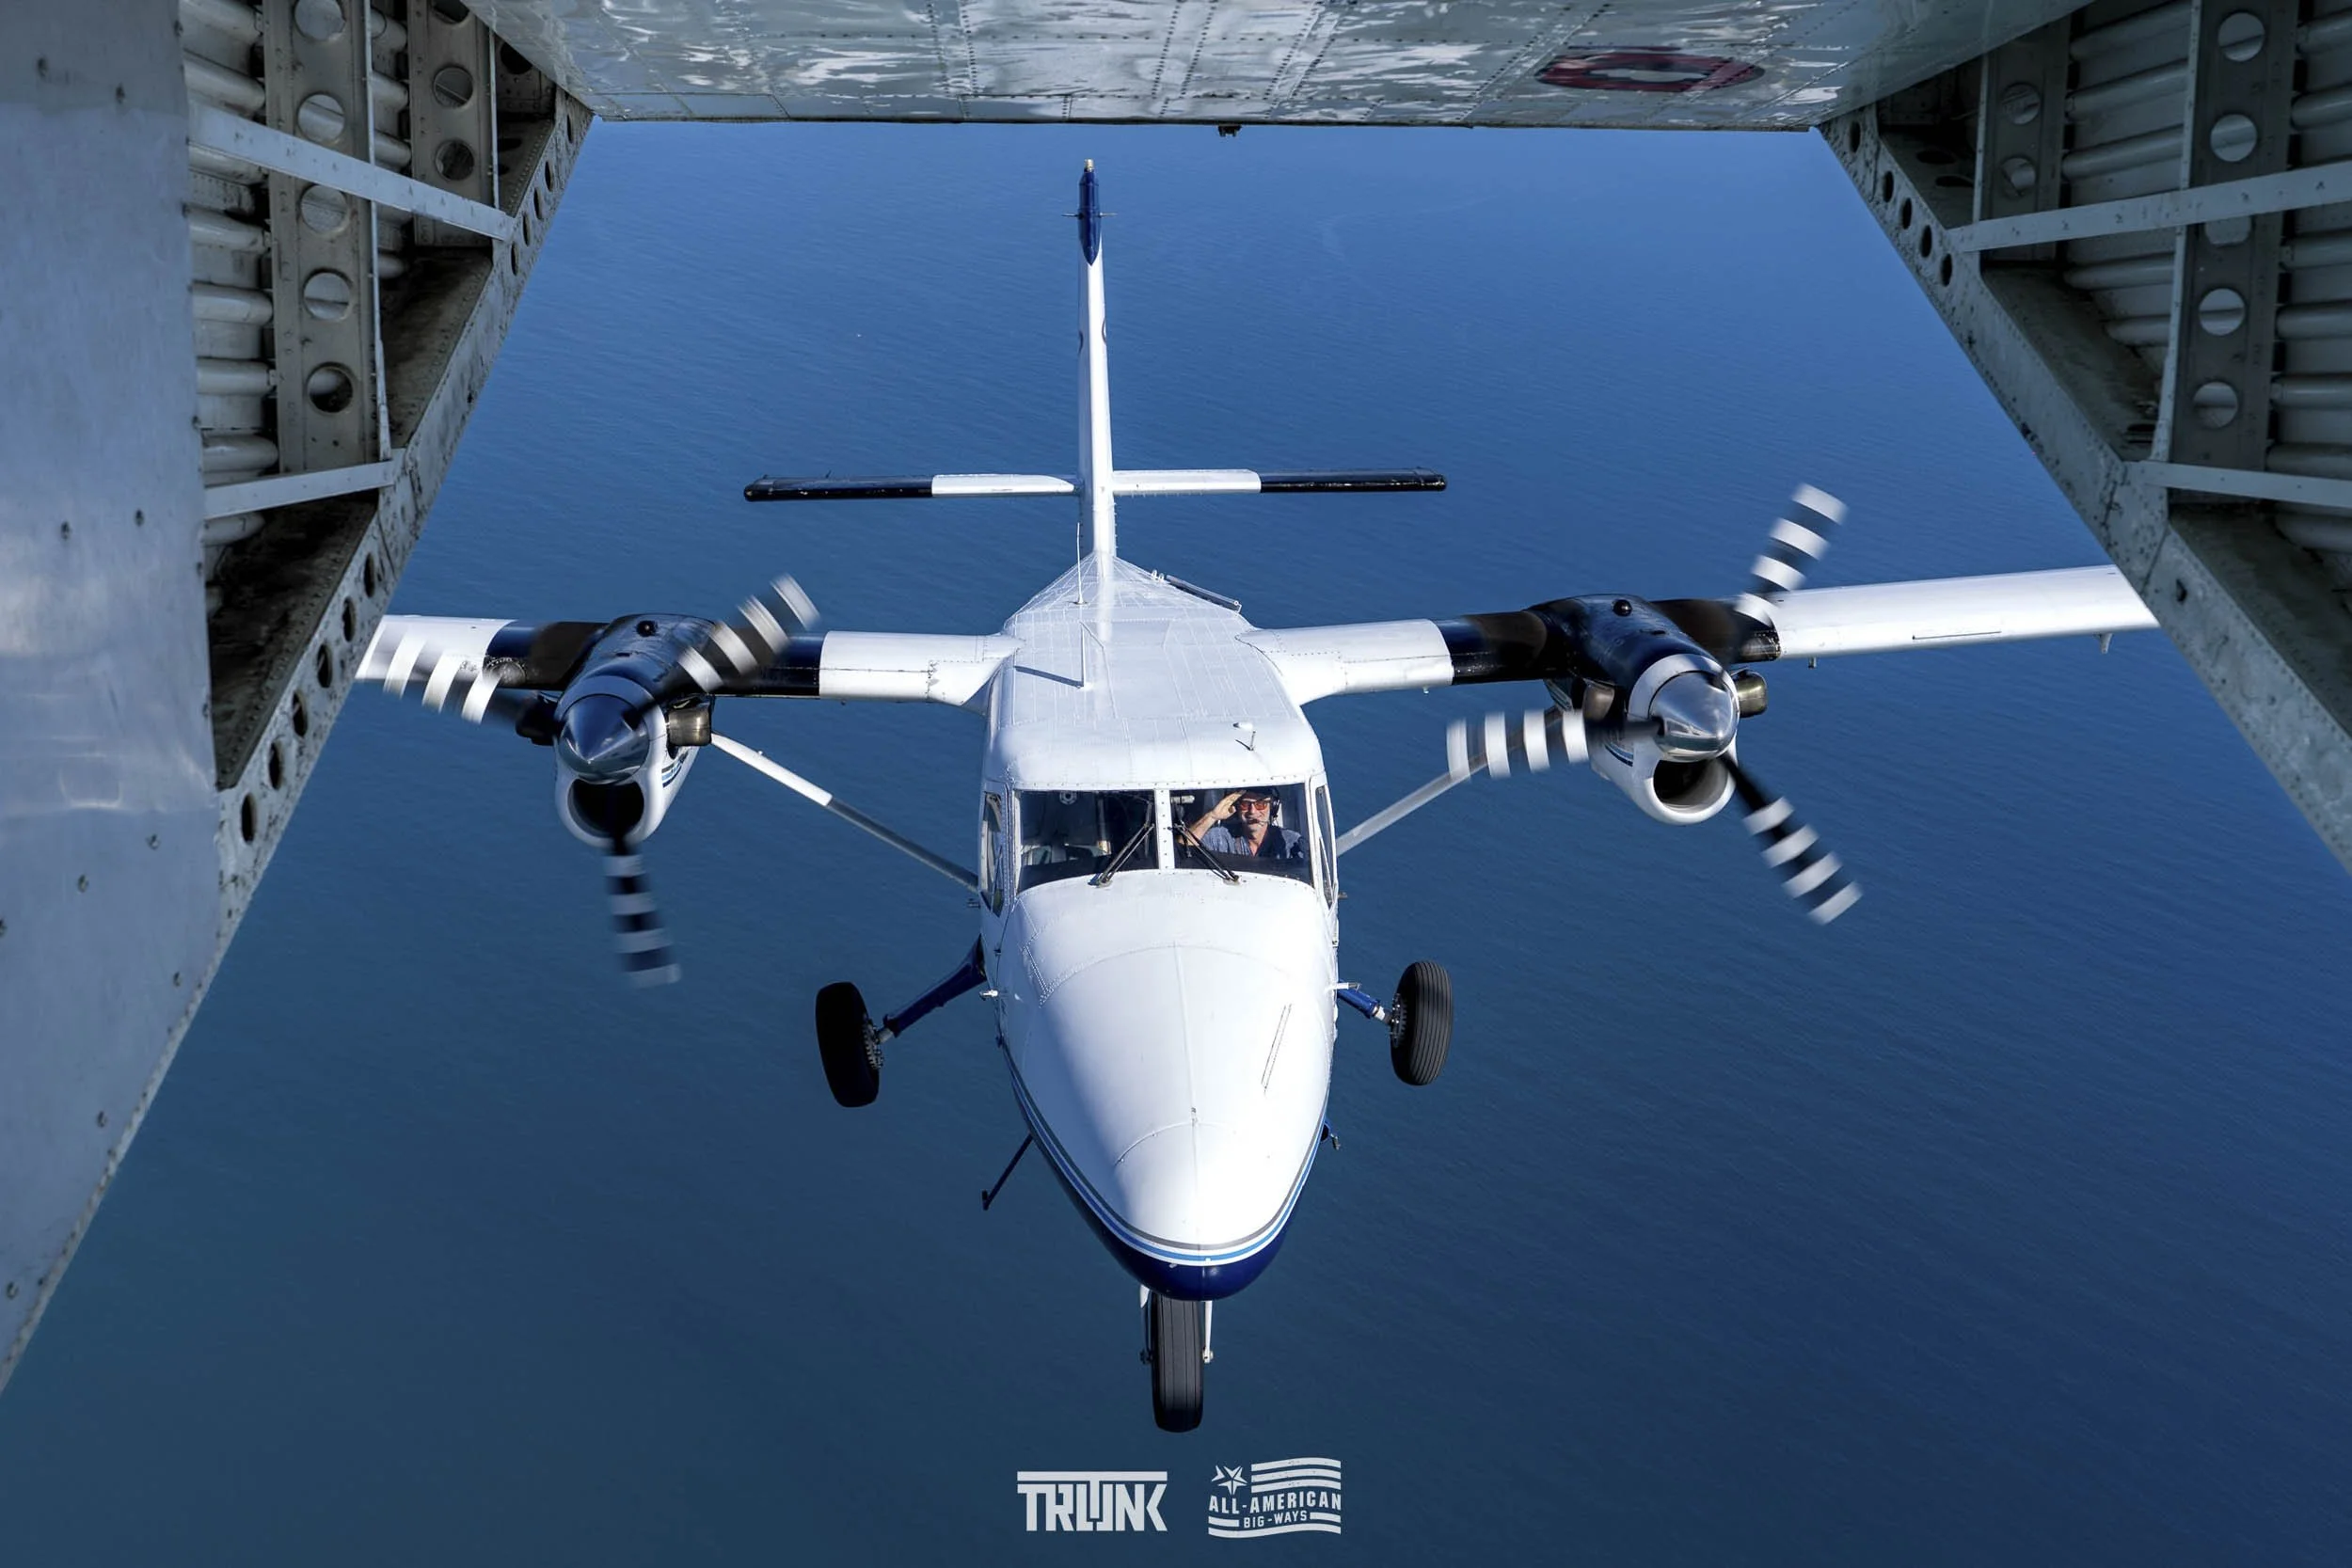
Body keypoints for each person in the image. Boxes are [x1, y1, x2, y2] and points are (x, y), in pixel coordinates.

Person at [1189, 786, 1306, 863]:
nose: (1252, 811)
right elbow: (1182, 850)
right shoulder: (1221, 837)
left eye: (1261, 804)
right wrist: (1212, 817)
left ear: (1273, 806)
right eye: (1245, 804)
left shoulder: (1290, 842)